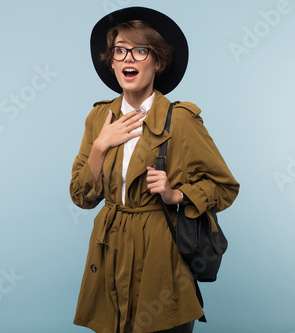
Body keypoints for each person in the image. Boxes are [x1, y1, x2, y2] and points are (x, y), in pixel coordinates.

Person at [70, 7, 239, 333]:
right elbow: (81, 197)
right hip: (109, 253)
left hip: (159, 256)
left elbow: (224, 187)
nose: (127, 58)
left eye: (140, 50)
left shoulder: (181, 120)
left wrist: (176, 194)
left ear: (157, 62)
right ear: (112, 61)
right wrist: (99, 146)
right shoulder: (98, 118)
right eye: (120, 50)